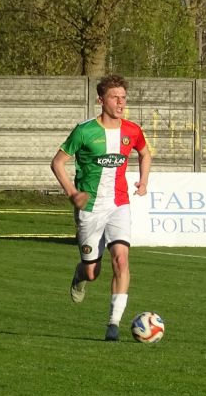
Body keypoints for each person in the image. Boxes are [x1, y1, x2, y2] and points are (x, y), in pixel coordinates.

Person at [50, 74, 151, 341]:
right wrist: (73, 193)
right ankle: (79, 275)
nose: (120, 102)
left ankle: (113, 324)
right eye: (114, 97)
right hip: (90, 208)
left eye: (123, 98)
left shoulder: (132, 130)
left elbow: (145, 153)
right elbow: (57, 163)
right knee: (92, 272)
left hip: (119, 204)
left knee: (121, 259)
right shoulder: (84, 131)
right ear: (100, 100)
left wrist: (143, 181)